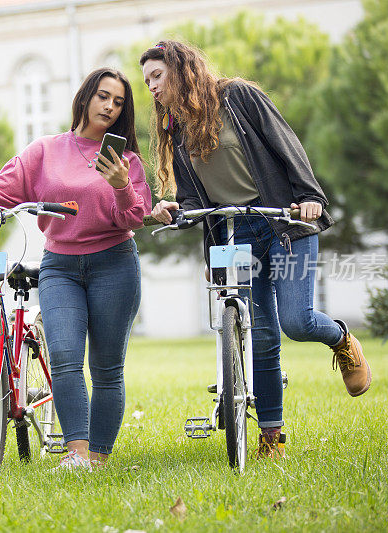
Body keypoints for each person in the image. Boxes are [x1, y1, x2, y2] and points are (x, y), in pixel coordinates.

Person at [140, 41, 371, 459]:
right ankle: (271, 437)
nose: (152, 87)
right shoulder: (177, 130)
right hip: (238, 233)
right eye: (147, 81)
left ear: (179, 69)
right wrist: (174, 210)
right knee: (262, 337)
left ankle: (342, 339)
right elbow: (196, 200)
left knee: (296, 321)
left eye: (157, 76)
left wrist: (308, 195)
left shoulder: (238, 97)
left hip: (284, 222)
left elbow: (287, 144)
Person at [0, 68, 152, 470]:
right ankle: (76, 455)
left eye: (118, 102)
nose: (110, 107)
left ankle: (99, 457)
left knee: (107, 368)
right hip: (60, 265)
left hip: (114, 264)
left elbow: (136, 215)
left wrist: (120, 184)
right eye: (103, 96)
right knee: (63, 355)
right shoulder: (45, 151)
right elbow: (1, 187)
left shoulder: (125, 159)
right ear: (85, 97)